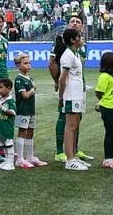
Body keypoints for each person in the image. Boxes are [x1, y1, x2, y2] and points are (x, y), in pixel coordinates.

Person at [48, 14, 91, 163]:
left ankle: (74, 149)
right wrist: (57, 82)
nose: (74, 23)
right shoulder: (62, 44)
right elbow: (52, 63)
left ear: (82, 26)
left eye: (77, 22)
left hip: (80, 85)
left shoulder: (82, 45)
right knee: (65, 117)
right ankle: (61, 151)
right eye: (71, 21)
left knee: (77, 118)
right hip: (68, 87)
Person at [56, 27, 87, 171]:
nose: (82, 39)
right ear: (73, 40)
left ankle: (73, 156)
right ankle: (69, 160)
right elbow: (62, 78)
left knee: (75, 125)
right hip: (71, 95)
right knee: (71, 126)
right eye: (80, 37)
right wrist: (61, 96)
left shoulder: (74, 54)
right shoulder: (68, 55)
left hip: (76, 94)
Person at [12, 52, 46, 168]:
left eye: (29, 63)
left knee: (30, 132)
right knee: (22, 132)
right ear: (18, 66)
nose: (29, 65)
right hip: (23, 110)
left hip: (31, 110)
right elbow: (25, 95)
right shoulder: (19, 79)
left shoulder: (29, 78)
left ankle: (30, 156)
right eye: (25, 63)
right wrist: (33, 89)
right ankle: (20, 159)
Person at [0, 79, 17, 171]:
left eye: (0, 87)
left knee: (9, 144)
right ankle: (7, 161)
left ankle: (11, 163)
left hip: (7, 127)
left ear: (9, 89)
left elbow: (13, 112)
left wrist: (2, 108)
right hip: (0, 126)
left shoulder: (10, 101)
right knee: (2, 144)